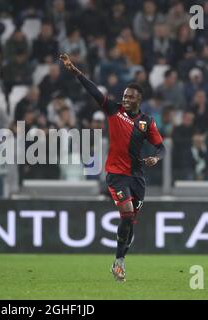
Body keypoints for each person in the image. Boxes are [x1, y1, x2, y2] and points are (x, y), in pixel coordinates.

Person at [60, 53, 165, 282]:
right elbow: (94, 91)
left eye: (130, 97)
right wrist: (76, 71)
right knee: (126, 215)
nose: (126, 99)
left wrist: (156, 158)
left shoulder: (147, 122)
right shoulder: (113, 110)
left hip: (137, 178)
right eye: (125, 95)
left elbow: (161, 148)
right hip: (116, 175)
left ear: (139, 100)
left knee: (129, 222)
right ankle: (118, 261)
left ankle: (122, 255)